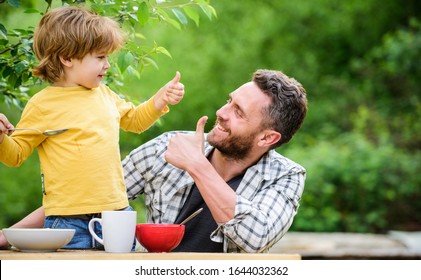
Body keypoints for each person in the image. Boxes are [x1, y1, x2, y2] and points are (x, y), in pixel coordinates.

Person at [0, 69, 307, 253]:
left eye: (239, 112)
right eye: (229, 101)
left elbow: (256, 237)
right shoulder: (168, 146)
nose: (222, 112)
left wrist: (197, 166)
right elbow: (86, 196)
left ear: (267, 138)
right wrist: (6, 236)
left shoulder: (286, 176)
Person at [0, 6, 184, 249]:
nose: (107, 65)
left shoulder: (105, 94)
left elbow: (136, 121)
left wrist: (158, 101)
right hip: (67, 222)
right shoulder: (42, 104)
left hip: (116, 214)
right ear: (67, 58)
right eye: (100, 58)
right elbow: (15, 155)